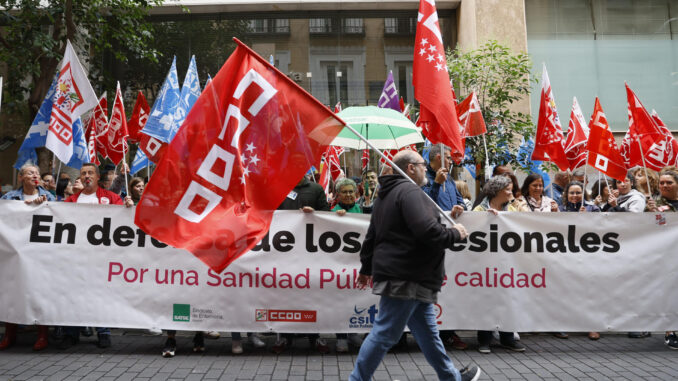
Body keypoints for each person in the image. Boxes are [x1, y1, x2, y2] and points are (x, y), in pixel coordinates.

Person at [351, 150, 481, 381]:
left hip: (411, 275)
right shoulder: (410, 192)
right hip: (407, 274)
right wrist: (454, 234)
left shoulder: (387, 194)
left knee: (428, 334)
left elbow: (373, 235)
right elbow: (426, 231)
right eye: (422, 165)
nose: (425, 170)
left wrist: (366, 267)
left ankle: (450, 377)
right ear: (410, 168)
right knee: (384, 334)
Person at [61, 163, 133, 349]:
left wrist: (128, 208)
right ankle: (71, 333)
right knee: (73, 295)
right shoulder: (70, 201)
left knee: (101, 295)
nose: (86, 176)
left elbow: (123, 223)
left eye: (90, 173)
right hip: (75, 257)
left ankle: (103, 332)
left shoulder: (111, 198)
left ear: (98, 177)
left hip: (102, 259)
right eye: (83, 173)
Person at [273, 175, 330, 354]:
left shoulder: (316, 189)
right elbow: (270, 212)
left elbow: (326, 214)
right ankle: (284, 337)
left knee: (312, 294)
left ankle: (315, 337)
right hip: (283, 251)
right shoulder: (279, 187)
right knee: (284, 294)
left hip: (310, 250)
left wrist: (314, 213)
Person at [0, 163, 54, 351]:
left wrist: (45, 205)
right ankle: (9, 334)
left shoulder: (50, 197)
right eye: (30, 173)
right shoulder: (8, 198)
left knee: (39, 291)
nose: (35, 175)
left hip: (39, 252)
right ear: (21, 177)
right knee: (12, 291)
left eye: (37, 173)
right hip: (15, 251)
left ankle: (42, 335)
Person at [472, 176, 526, 354]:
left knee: (507, 299)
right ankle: (484, 339)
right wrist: (486, 219)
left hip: (507, 264)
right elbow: (472, 230)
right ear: (497, 191)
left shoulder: (511, 209)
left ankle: (507, 337)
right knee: (487, 300)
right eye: (508, 190)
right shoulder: (480, 208)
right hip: (486, 264)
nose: (511, 192)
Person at [422, 144, 468, 350]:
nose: (451, 161)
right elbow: (422, 205)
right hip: (433, 240)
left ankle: (448, 333)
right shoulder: (423, 179)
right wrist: (435, 185)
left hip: (451, 241)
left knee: (450, 288)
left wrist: (460, 207)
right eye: (448, 158)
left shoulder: (449, 179)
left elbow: (461, 203)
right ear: (438, 158)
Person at [646, 166, 678, 349]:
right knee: (670, 294)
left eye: (669, 182)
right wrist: (649, 214)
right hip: (666, 257)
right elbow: (644, 231)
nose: (664, 185)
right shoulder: (653, 204)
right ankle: (670, 331)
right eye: (662, 182)